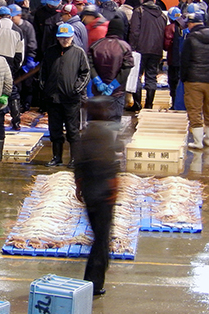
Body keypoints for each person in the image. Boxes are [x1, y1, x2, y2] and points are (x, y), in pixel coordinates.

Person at [74, 96, 119, 296]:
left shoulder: (87, 133)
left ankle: (95, 280)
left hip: (90, 192)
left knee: (100, 237)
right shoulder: (105, 134)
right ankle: (93, 282)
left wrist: (79, 185)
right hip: (102, 194)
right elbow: (110, 165)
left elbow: (79, 163)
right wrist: (113, 187)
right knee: (101, 239)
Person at [40, 23, 90, 168]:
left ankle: (74, 159)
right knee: (54, 130)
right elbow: (43, 72)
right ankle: (57, 157)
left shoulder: (79, 52)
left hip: (71, 99)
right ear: (57, 38)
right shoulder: (50, 52)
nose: (64, 40)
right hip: (53, 98)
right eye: (62, 38)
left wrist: (76, 88)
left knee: (72, 130)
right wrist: (45, 87)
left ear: (72, 37)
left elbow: (85, 73)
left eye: (67, 38)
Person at [88, 16, 134, 123]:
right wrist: (113, 85)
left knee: (96, 123)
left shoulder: (96, 45)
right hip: (116, 94)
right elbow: (126, 68)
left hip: (97, 93)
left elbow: (89, 64)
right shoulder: (125, 47)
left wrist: (97, 81)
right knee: (113, 124)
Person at [180, 7, 209, 148]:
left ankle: (198, 141)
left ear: (193, 24)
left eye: (188, 23)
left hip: (193, 80)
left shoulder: (190, 39)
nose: (187, 25)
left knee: (194, 110)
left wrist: (184, 78)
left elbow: (185, 61)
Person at [129, 0, 167, 110]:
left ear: (143, 0)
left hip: (140, 50)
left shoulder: (139, 11)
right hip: (156, 50)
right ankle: (149, 104)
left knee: (137, 76)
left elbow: (134, 31)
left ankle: (137, 104)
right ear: (155, 0)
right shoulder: (162, 15)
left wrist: (132, 48)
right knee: (151, 76)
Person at [0, 6, 24, 130]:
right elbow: (20, 53)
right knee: (11, 91)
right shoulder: (17, 30)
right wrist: (15, 67)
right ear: (9, 16)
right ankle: (16, 121)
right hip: (9, 62)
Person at [164, 7, 186, 110]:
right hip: (183, 61)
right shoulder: (185, 27)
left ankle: (174, 104)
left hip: (173, 59)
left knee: (173, 81)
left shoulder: (169, 28)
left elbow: (166, 45)